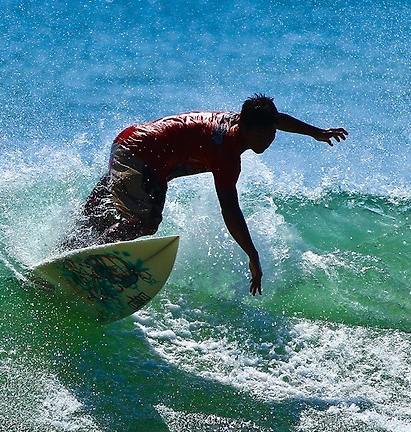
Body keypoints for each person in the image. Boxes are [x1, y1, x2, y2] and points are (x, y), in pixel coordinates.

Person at [62, 95, 347, 295]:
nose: (266, 140)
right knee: (146, 221)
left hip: (131, 144)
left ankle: (64, 255)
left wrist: (316, 132)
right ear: (244, 127)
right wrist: (252, 254)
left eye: (270, 134)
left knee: (100, 217)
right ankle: (86, 263)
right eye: (259, 135)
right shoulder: (226, 152)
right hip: (140, 155)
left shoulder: (243, 121)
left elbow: (275, 119)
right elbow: (229, 209)